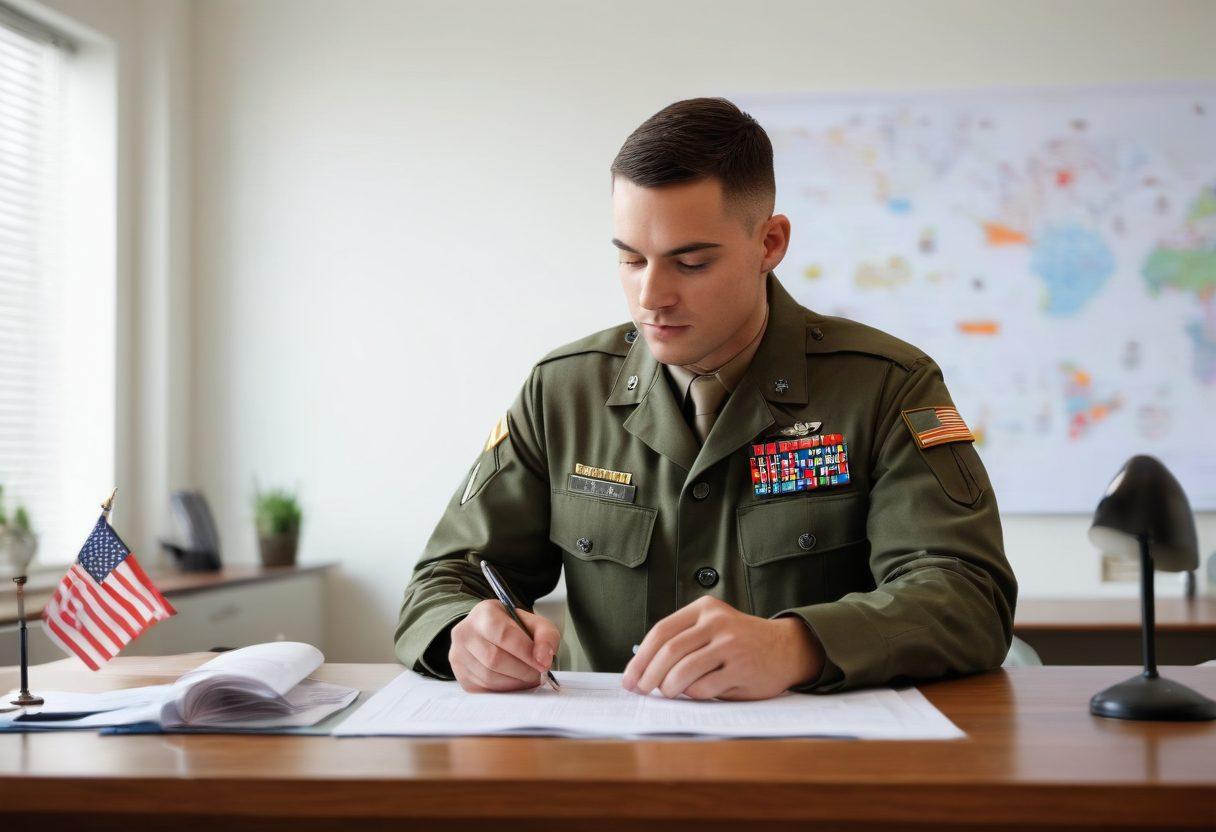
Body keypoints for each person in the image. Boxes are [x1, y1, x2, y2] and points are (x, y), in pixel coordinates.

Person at [395, 97, 1017, 700]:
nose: (651, 296)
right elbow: (444, 579)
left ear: (770, 244)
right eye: (632, 260)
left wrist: (796, 646)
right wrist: (465, 631)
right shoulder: (562, 391)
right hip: (609, 769)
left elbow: (968, 594)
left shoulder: (885, 385)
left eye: (689, 263)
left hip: (817, 768)